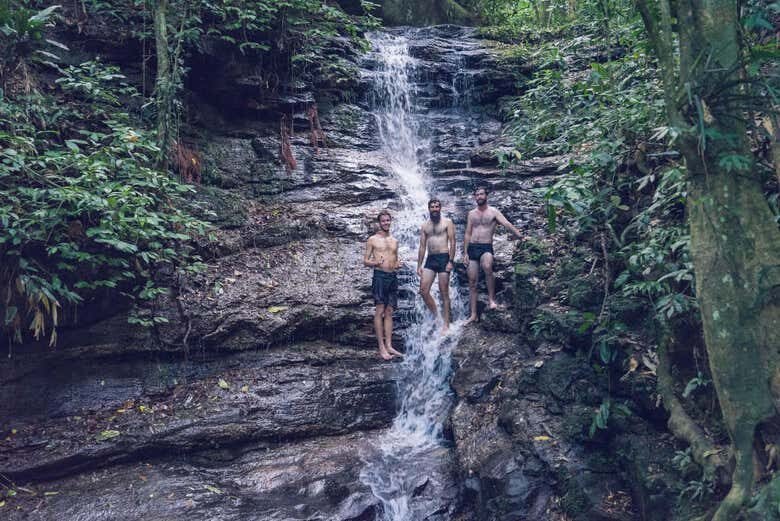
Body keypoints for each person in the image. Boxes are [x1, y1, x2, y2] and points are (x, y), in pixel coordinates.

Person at [463, 186, 524, 323]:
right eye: (477, 195)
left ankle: (491, 300)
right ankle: (473, 314)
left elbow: (506, 224)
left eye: (481, 194)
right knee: (472, 281)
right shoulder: (471, 214)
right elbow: (467, 233)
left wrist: (520, 236)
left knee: (487, 266)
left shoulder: (493, 212)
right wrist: (465, 252)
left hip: (486, 246)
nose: (479, 196)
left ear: (486, 195)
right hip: (472, 247)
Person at [364, 209, 404, 360]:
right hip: (380, 276)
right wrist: (375, 262)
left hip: (392, 276)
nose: (386, 223)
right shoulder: (372, 239)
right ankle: (381, 347)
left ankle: (389, 345)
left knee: (389, 311)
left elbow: (395, 260)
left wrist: (397, 265)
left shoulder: (395, 241)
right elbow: (365, 261)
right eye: (383, 221)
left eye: (388, 220)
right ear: (379, 223)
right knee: (380, 310)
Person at [416, 198, 456, 333]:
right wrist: (419, 265)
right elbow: (422, 247)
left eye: (437, 206)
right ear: (429, 209)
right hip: (430, 259)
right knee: (423, 290)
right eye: (432, 207)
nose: (434, 209)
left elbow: (453, 242)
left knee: (444, 291)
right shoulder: (425, 226)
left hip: (444, 257)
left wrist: (451, 261)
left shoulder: (447, 222)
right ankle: (437, 316)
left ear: (440, 208)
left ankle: (446, 324)